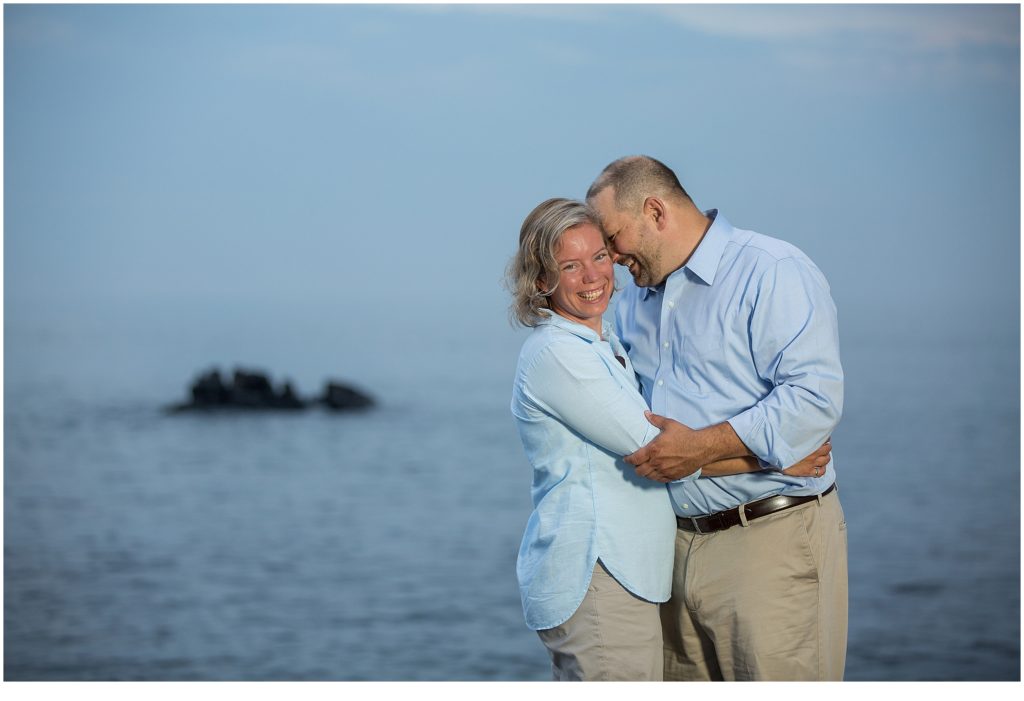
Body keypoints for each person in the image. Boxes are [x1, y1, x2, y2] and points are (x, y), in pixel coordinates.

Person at [505, 197, 831, 681]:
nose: (593, 276)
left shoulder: (599, 342)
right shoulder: (557, 354)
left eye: (599, 257)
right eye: (569, 266)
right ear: (540, 281)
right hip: (597, 573)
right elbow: (654, 450)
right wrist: (776, 461)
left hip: (627, 573)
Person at [585, 155, 848, 681]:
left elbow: (814, 401)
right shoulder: (633, 300)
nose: (610, 259)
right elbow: (636, 434)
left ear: (655, 211)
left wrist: (703, 448)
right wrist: (744, 457)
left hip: (769, 545)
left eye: (612, 238)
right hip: (667, 553)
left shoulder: (771, 270)